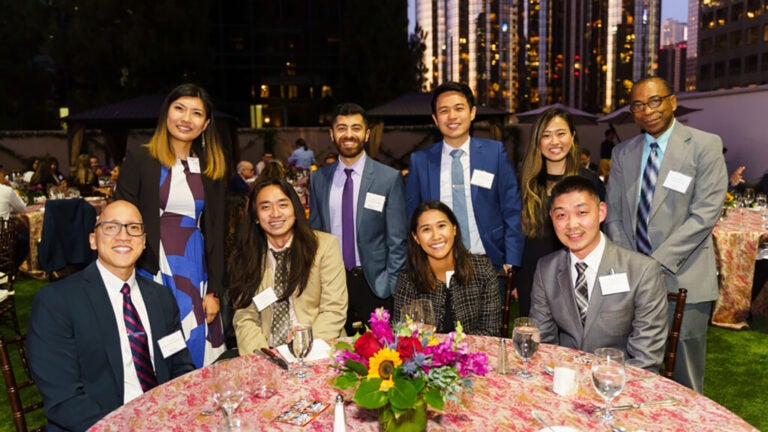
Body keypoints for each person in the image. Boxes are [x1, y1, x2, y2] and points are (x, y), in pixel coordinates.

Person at [27, 200, 195, 431]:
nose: (124, 236)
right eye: (111, 227)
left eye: (133, 228)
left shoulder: (161, 297)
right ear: (93, 240)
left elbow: (180, 364)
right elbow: (64, 400)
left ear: (144, 242)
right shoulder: (57, 302)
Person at [604, 76, 727, 392]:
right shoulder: (623, 153)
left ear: (672, 101)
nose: (648, 110)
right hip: (631, 281)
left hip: (683, 278)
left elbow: (705, 214)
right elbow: (614, 215)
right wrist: (633, 265)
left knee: (684, 374)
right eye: (638, 105)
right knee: (633, 371)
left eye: (655, 100)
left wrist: (655, 264)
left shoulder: (705, 145)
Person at [115, 83, 228, 368]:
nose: (186, 118)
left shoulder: (211, 167)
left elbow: (216, 232)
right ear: (167, 113)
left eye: (196, 113)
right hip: (149, 266)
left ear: (206, 124)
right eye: (179, 108)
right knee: (155, 345)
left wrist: (214, 290)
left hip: (194, 267)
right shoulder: (141, 159)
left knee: (197, 342)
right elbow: (121, 219)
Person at [530, 176, 668, 371]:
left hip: (618, 384)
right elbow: (542, 342)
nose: (572, 224)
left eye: (582, 212)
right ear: (551, 217)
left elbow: (645, 359)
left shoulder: (641, 271)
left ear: (601, 212)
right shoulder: (547, 268)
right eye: (561, 215)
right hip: (563, 379)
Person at [405, 81, 524, 282]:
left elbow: (511, 209)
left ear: (472, 113)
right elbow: (412, 217)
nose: (452, 116)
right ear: (435, 118)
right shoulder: (420, 161)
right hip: (439, 267)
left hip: (491, 263)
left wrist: (511, 260)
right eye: (444, 111)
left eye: (459, 108)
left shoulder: (494, 153)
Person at [309, 103, 408, 335]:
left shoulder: (388, 178)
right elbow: (315, 233)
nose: (349, 134)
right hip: (332, 283)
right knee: (332, 354)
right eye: (342, 128)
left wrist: (390, 283)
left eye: (356, 128)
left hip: (375, 283)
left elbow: (398, 238)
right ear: (332, 134)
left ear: (367, 134)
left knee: (382, 357)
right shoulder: (319, 179)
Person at [229, 179, 347, 355]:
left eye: (283, 205)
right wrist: (263, 356)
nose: (275, 214)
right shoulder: (247, 255)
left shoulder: (325, 247)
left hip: (319, 346)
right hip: (267, 353)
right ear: (255, 216)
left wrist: (303, 346)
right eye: (265, 207)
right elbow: (245, 316)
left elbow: (334, 309)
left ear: (295, 210)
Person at [515, 107, 606, 317]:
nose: (554, 141)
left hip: (577, 271)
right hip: (532, 275)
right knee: (538, 340)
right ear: (537, 141)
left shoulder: (588, 181)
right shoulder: (525, 182)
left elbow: (602, 231)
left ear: (572, 137)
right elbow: (516, 231)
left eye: (561, 133)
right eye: (546, 135)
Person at [395, 201, 500, 336]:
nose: (436, 236)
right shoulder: (408, 279)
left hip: (473, 354)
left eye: (441, 226)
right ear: (416, 237)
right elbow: (403, 334)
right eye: (426, 229)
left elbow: (490, 331)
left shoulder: (482, 269)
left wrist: (453, 348)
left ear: (454, 229)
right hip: (426, 355)